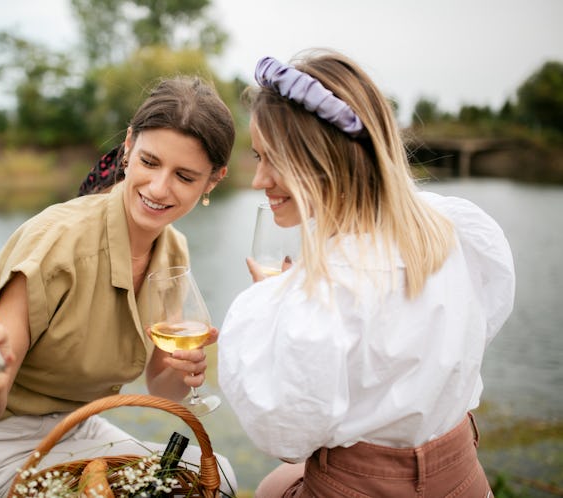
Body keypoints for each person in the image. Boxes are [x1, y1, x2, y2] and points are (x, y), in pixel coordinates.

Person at [218, 50, 515, 497]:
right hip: (462, 479)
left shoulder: (324, 291)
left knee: (268, 486)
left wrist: (280, 313)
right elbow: (482, 322)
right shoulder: (452, 228)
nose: (259, 179)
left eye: (272, 159)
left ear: (324, 159)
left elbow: (286, 441)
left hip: (359, 488)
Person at [0, 75, 237, 498]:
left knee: (219, 477)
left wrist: (182, 372)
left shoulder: (174, 252)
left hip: (79, 428)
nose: (158, 188)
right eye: (150, 162)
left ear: (213, 180)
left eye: (185, 176)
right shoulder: (54, 243)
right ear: (129, 146)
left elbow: (159, 387)